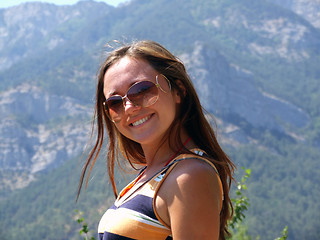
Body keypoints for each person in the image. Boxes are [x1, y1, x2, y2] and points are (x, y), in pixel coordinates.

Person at [77, 40, 235, 240]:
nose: (129, 108)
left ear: (178, 91)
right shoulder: (152, 176)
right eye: (115, 103)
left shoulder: (190, 175)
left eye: (142, 90)